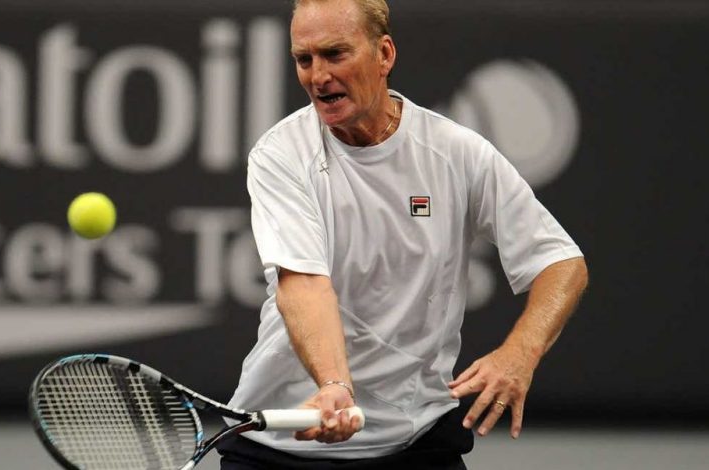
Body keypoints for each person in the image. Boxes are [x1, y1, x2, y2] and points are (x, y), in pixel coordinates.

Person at [217, 0, 589, 468]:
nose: (318, 76)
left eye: (335, 54)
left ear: (384, 54)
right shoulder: (281, 155)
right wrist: (335, 385)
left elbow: (561, 262)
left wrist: (519, 354)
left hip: (415, 439)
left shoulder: (456, 153)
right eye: (303, 59)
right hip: (283, 440)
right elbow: (304, 284)